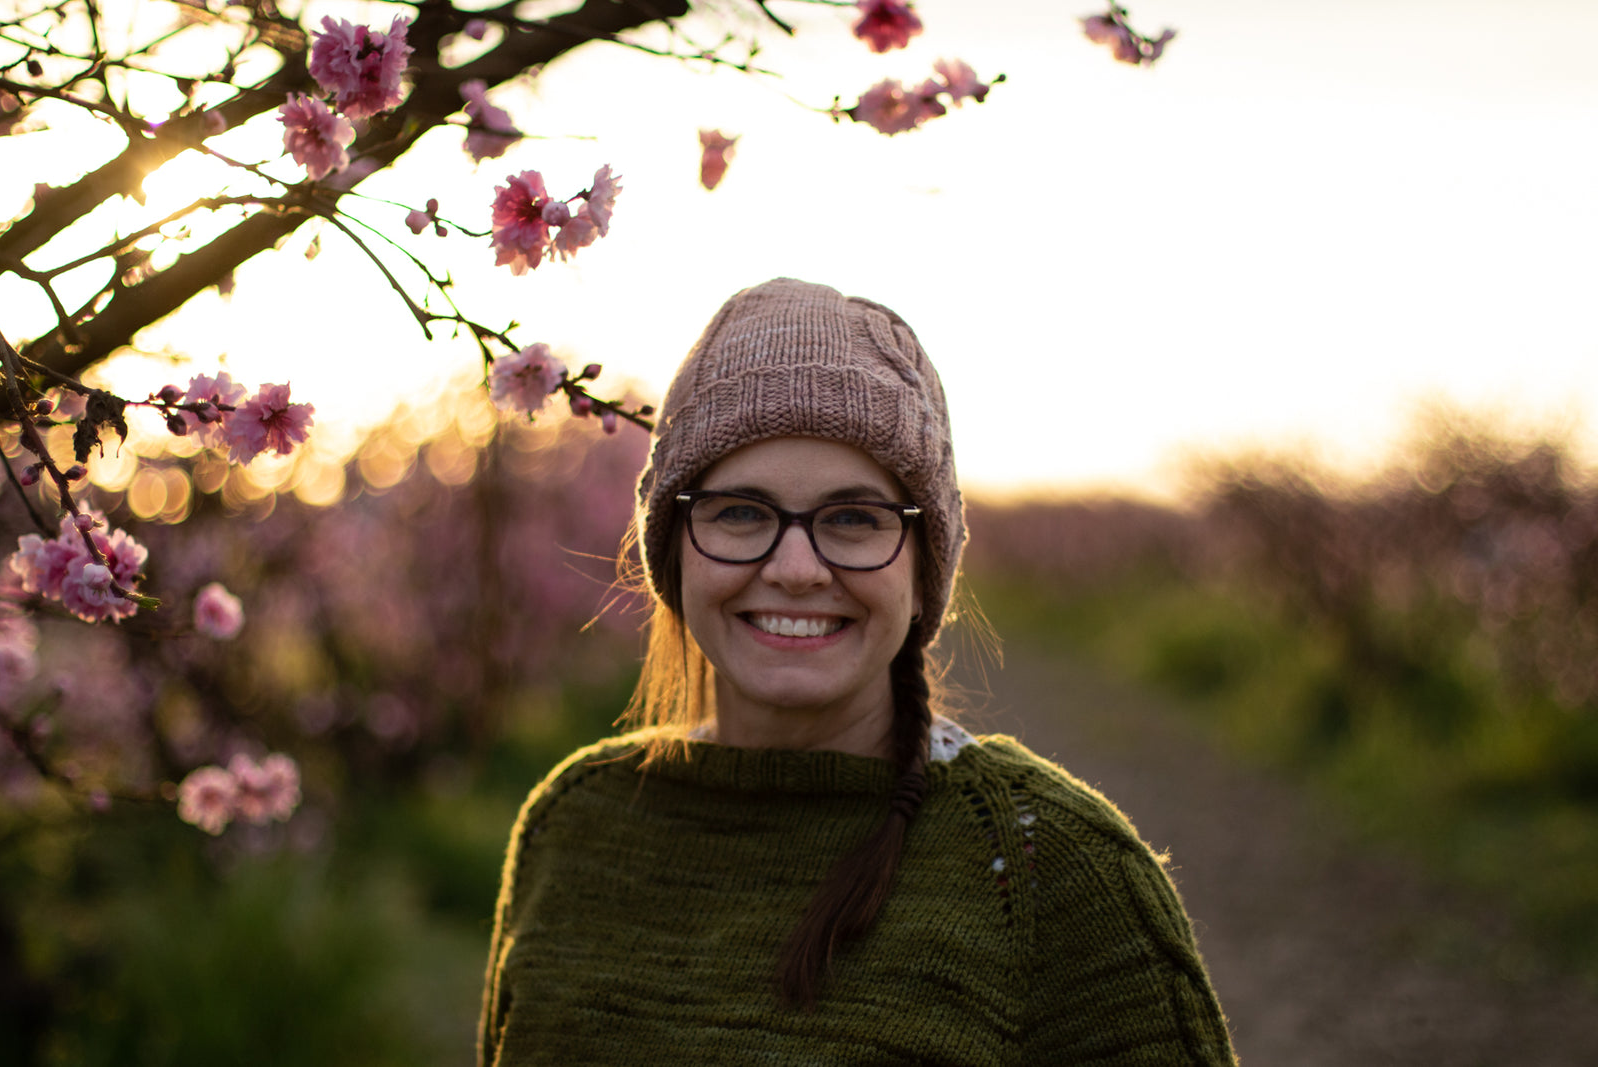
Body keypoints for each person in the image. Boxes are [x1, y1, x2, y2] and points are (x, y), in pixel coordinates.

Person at [477, 278, 1236, 1065]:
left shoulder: (1057, 870)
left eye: (853, 518)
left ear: (921, 569)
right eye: (740, 511)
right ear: (673, 548)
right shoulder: (572, 829)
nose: (797, 568)